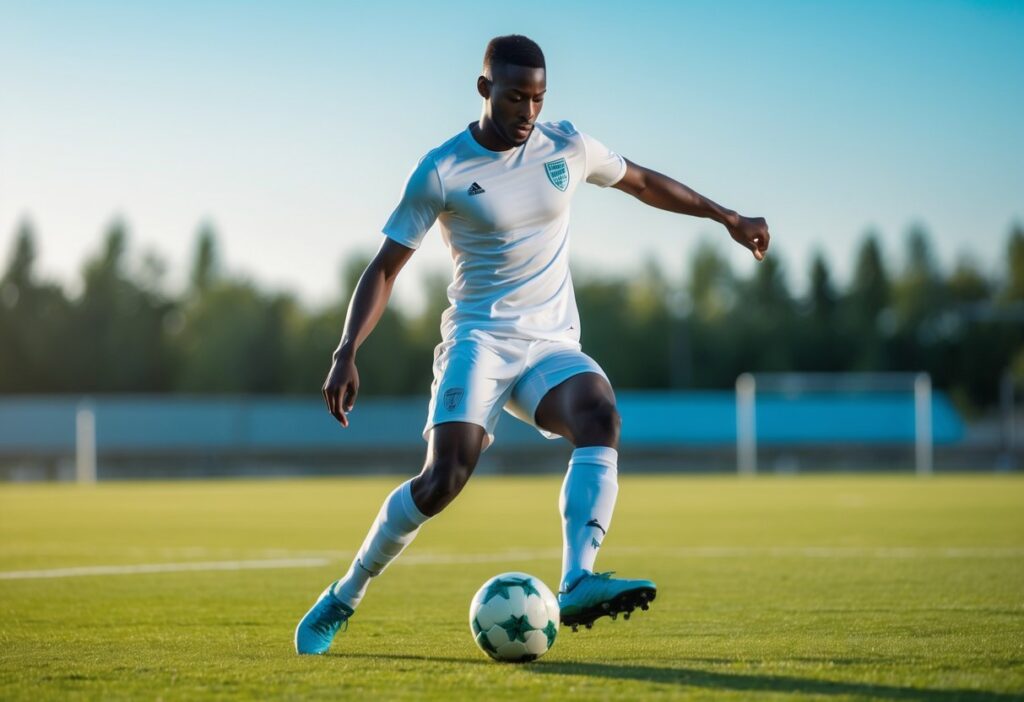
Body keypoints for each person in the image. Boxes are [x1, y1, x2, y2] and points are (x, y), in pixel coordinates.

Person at [295, 34, 770, 655]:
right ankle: (345, 595)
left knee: (600, 415)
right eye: (516, 97)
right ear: (484, 88)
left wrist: (727, 217)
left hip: (550, 343)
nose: (528, 112)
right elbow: (385, 268)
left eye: (538, 99)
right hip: (479, 341)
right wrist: (345, 350)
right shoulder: (442, 169)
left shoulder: (565, 147)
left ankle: (576, 579)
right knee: (443, 480)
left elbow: (645, 182)